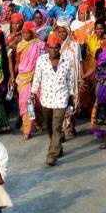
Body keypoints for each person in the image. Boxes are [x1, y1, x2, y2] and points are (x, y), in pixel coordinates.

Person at [30, 33, 75, 165]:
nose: (53, 51)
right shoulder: (41, 60)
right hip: (46, 98)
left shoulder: (66, 61)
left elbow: (69, 80)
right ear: (47, 48)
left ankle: (52, 155)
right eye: (51, 48)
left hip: (61, 98)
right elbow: (37, 77)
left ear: (60, 48)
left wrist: (71, 96)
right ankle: (57, 146)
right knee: (49, 125)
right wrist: (33, 93)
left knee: (57, 126)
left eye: (56, 48)